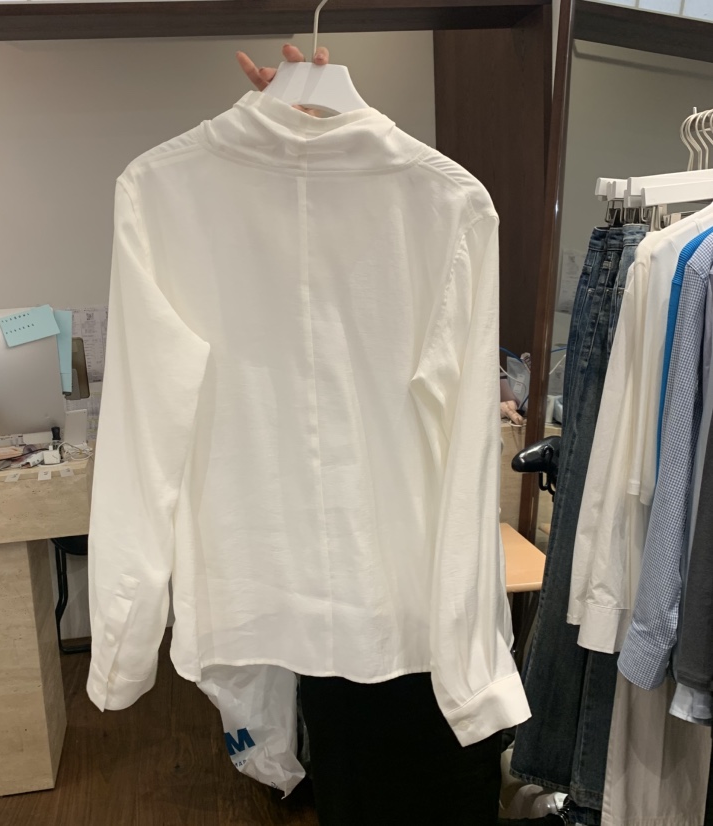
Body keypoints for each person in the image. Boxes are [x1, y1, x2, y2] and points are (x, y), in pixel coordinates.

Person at [229, 44, 510, 826]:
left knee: (412, 779)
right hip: (342, 611)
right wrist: (278, 152)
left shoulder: (447, 206)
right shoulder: (209, 210)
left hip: (415, 610)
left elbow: (465, 448)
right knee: (359, 773)